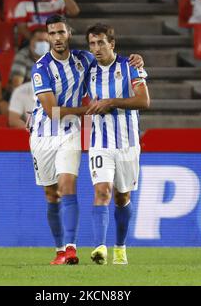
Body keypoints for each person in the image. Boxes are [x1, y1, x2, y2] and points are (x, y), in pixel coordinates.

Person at [29, 15, 143, 265]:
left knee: (67, 186)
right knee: (51, 193)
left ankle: (71, 249)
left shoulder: (84, 59)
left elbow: (110, 60)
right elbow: (52, 112)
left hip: (70, 132)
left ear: (68, 33)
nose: (57, 38)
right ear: (48, 37)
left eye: (61, 32)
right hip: (42, 134)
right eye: (52, 33)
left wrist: (136, 60)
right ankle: (60, 249)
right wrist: (91, 109)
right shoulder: (40, 68)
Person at [84, 23, 150, 265]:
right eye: (92, 43)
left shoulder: (130, 66)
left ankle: (120, 247)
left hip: (128, 143)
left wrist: (111, 102)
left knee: (123, 198)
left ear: (112, 44)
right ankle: (100, 247)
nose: (96, 48)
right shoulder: (87, 70)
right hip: (99, 141)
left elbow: (144, 101)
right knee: (102, 191)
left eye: (101, 42)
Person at [0, 27, 49, 116]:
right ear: (31, 41)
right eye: (40, 40)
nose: (43, 43)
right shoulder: (22, 56)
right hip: (25, 97)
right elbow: (17, 85)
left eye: (46, 41)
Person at [15, 0, 80, 42]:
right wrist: (35, 40)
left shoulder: (59, 0)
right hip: (32, 40)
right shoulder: (24, 2)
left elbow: (75, 11)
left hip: (56, 40)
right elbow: (22, 28)